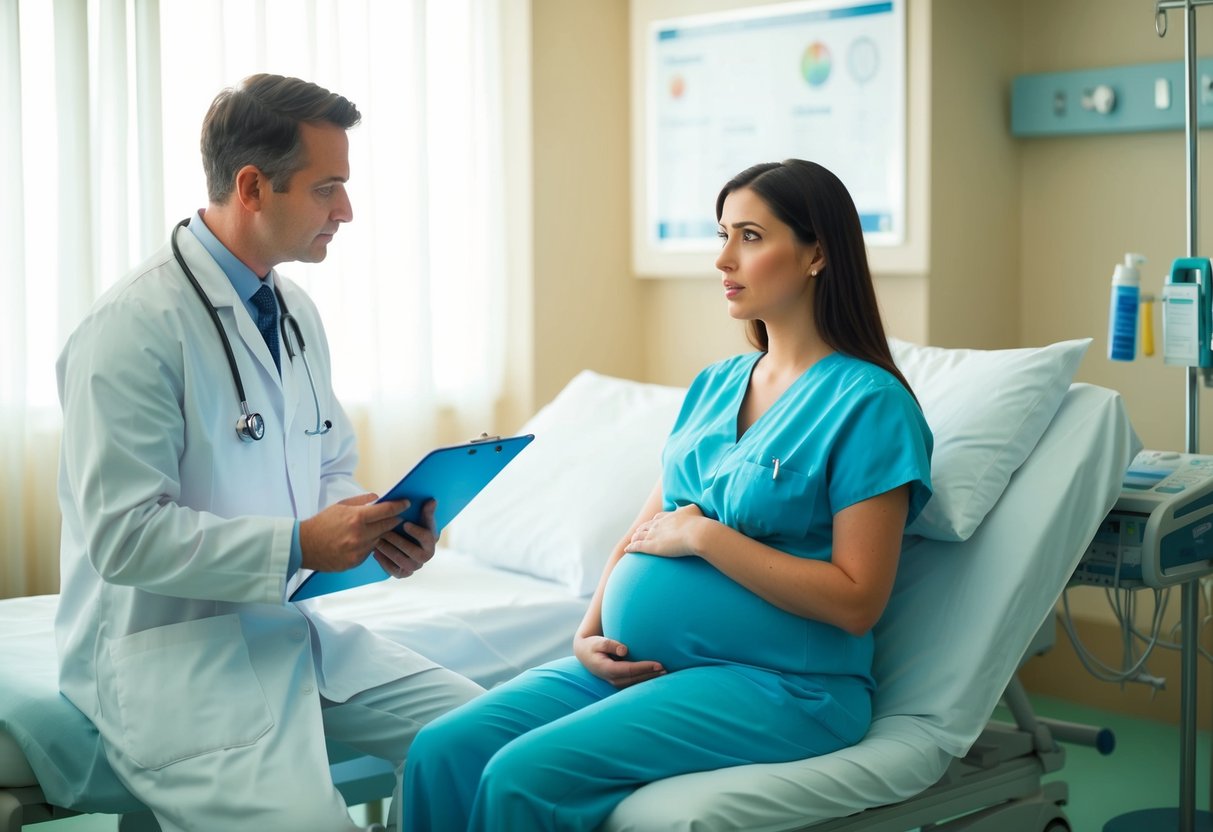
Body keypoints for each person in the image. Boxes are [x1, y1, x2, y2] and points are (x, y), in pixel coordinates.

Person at [401, 159, 934, 831]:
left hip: (781, 685)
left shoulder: (869, 405)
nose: (721, 259)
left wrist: (707, 537)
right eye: (721, 234)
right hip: (648, 665)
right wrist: (587, 631)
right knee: (441, 751)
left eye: (748, 236)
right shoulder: (716, 384)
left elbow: (857, 599)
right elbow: (645, 526)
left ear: (816, 254)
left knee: (520, 778)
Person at [55, 74, 482, 832]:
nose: (345, 211)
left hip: (284, 631)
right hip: (173, 657)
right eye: (327, 189)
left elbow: (324, 466)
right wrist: (297, 543)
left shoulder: (292, 311)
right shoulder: (131, 326)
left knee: (491, 744)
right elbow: (123, 536)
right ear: (253, 187)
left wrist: (369, 529)